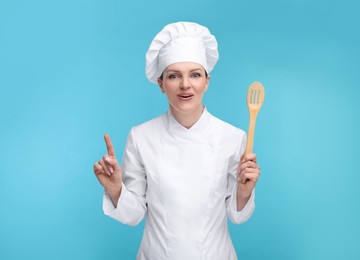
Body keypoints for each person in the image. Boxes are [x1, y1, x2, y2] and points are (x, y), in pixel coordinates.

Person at [93, 21, 261, 260]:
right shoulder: (141, 136)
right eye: (174, 76)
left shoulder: (233, 137)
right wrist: (116, 190)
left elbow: (237, 216)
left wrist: (244, 191)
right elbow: (134, 215)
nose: (185, 84)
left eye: (195, 74)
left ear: (207, 81)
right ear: (161, 84)